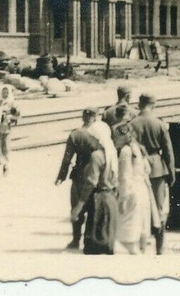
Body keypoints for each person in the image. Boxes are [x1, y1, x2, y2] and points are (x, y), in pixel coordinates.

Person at [129, 93, 176, 254]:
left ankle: (140, 246)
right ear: (153, 105)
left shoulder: (131, 124)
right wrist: (171, 172)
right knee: (159, 208)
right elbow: (168, 150)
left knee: (138, 208)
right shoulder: (159, 124)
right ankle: (159, 247)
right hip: (156, 168)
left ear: (139, 104)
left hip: (137, 167)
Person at [55, 108, 103, 250]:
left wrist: (61, 176)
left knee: (76, 207)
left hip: (79, 174)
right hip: (96, 173)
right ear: (96, 118)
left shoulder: (75, 134)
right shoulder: (99, 135)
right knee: (93, 208)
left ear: (83, 117)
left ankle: (75, 240)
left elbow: (67, 158)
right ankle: (89, 241)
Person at [74, 120, 120, 254]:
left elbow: (91, 183)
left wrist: (78, 207)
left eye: (91, 137)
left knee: (93, 247)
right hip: (111, 199)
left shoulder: (96, 156)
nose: (90, 140)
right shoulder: (112, 153)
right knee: (107, 245)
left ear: (96, 138)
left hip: (98, 201)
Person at [117, 121, 161, 254]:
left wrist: (123, 199)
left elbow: (125, 177)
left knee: (126, 235)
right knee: (141, 228)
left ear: (123, 136)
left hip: (131, 192)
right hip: (143, 191)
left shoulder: (125, 151)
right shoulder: (138, 148)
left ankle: (137, 258)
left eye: (116, 137)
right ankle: (142, 256)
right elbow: (147, 169)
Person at [0, 102, 21, 179]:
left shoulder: (9, 113)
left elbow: (18, 117)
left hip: (6, 133)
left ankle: (6, 166)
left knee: (6, 151)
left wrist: (14, 113)